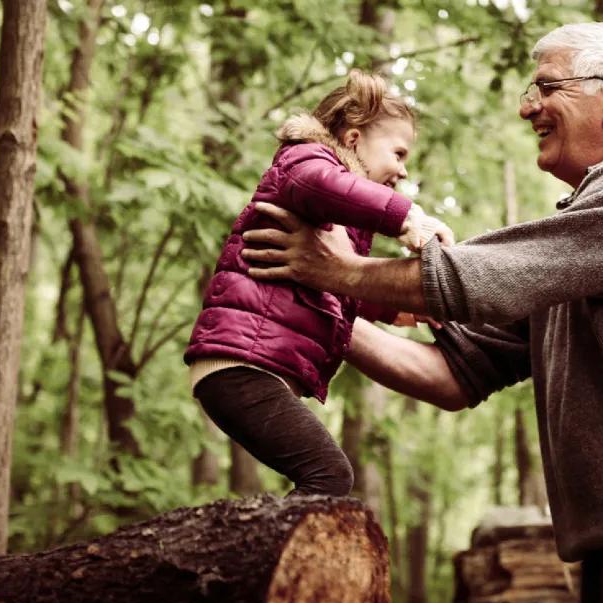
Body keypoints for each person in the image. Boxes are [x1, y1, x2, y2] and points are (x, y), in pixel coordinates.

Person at [239, 22, 603, 603]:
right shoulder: (581, 252)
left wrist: (335, 273)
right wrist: (317, 300)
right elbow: (451, 377)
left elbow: (472, 277)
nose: (526, 108)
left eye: (545, 87)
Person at [184, 70, 452, 497]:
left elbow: (332, 283)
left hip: (248, 369)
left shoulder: (334, 217)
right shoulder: (305, 163)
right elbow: (319, 185)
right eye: (398, 154)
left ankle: (268, 556)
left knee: (326, 476)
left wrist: (393, 309)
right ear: (352, 141)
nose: (402, 171)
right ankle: (273, 560)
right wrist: (406, 219)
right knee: (329, 476)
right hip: (240, 367)